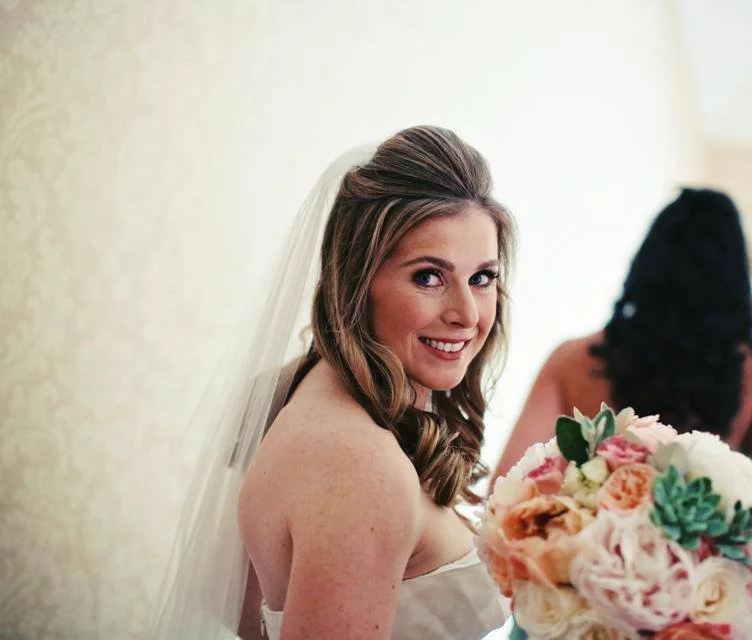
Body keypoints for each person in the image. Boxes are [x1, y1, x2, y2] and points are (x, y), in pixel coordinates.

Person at [155, 125, 516, 640]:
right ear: (358, 278)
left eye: (482, 278)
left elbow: (244, 612)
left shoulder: (301, 389)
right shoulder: (359, 465)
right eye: (429, 276)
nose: (466, 313)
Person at [492, 187, 752, 637]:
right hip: (696, 613)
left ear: (647, 267)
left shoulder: (572, 362)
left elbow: (509, 489)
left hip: (583, 607)